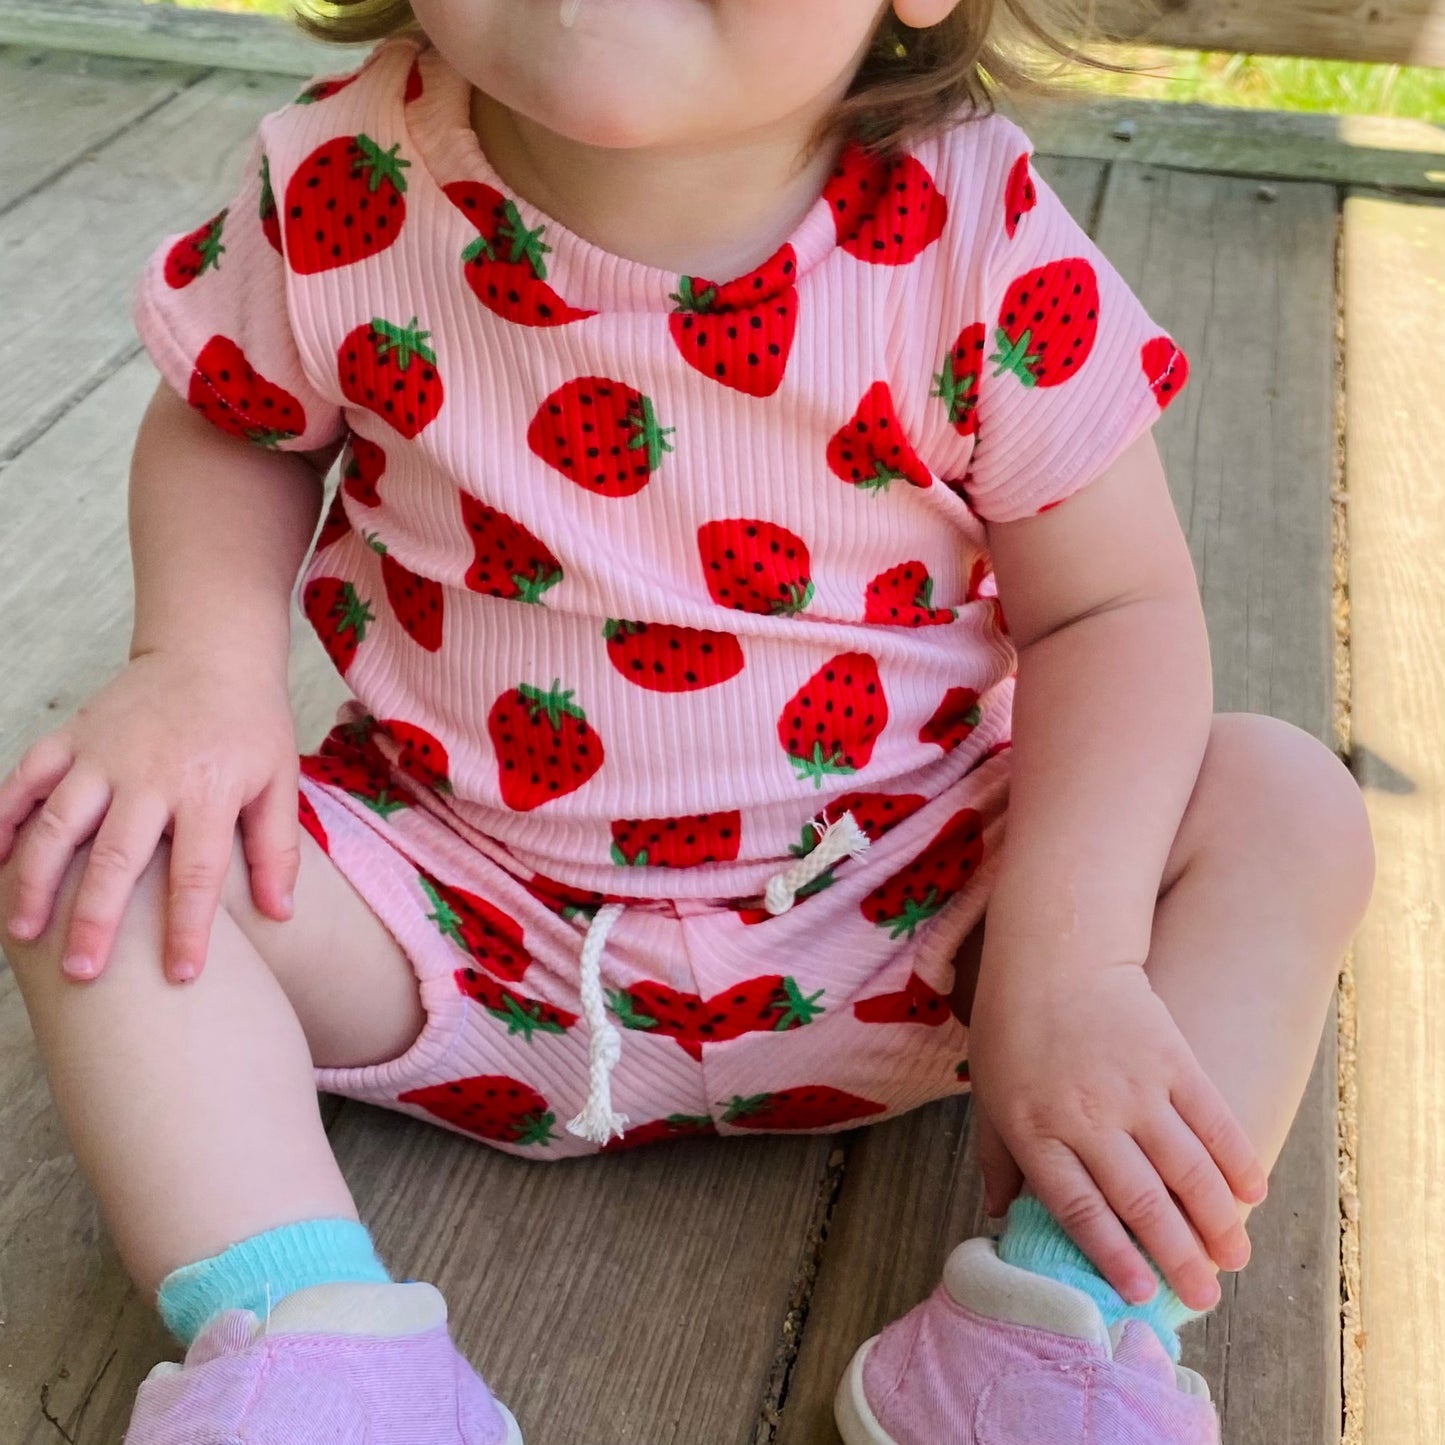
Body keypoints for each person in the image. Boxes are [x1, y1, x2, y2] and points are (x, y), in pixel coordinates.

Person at [0, 2, 1374, 1442]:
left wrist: (1071, 954)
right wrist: (200, 667)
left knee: (1280, 803)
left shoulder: (972, 229)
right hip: (458, 921)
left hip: (917, 918)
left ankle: (1052, 1332)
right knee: (94, 838)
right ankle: (311, 1340)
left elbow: (1110, 613)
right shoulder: (344, 174)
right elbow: (234, 418)